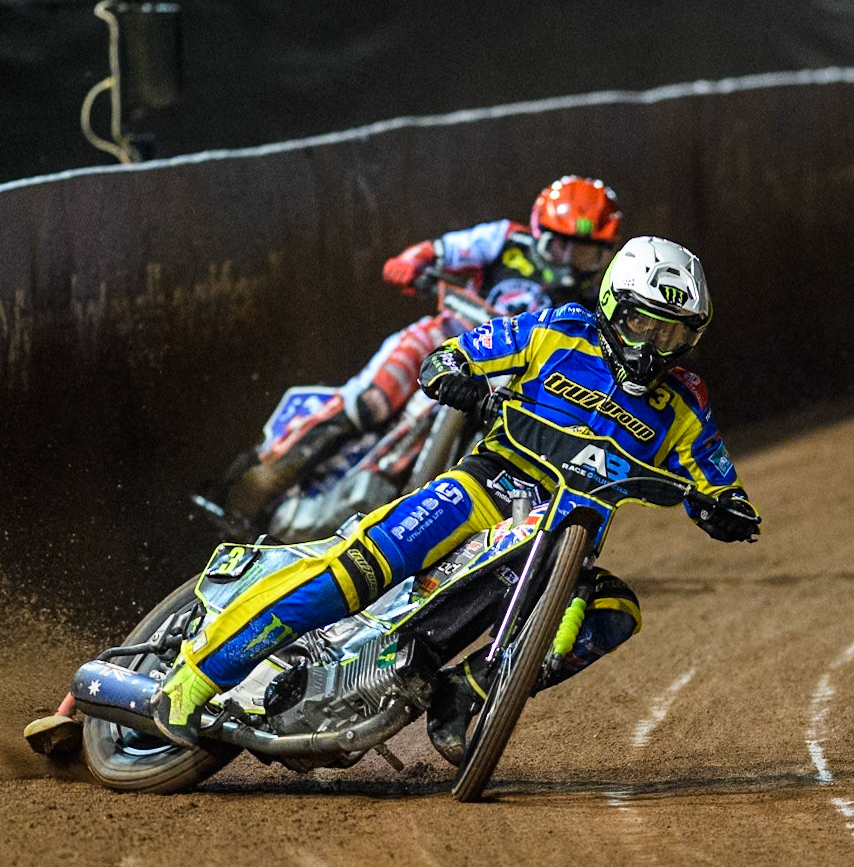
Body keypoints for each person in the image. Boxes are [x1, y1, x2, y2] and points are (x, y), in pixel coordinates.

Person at [157, 236, 761, 764]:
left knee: (616, 613)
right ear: (613, 306)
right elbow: (456, 351)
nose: (654, 345)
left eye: (673, 334)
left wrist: (727, 509)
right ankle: (197, 676)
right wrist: (456, 375)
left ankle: (461, 691)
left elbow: (717, 479)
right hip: (482, 491)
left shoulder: (686, 401)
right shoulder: (556, 329)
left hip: (562, 551)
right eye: (643, 324)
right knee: (363, 566)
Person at [218, 175, 624, 525]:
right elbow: (437, 250)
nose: (569, 262)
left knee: (434, 446)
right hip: (449, 337)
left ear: (605, 253)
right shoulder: (503, 239)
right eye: (561, 247)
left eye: (585, 251)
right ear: (540, 232)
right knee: (371, 401)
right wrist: (413, 262)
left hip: (503, 380)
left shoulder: (595, 302)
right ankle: (265, 475)